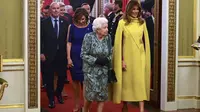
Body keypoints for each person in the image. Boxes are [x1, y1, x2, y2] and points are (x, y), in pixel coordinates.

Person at [112, 1, 151, 112]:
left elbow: (146, 41)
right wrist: (121, 60)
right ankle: (125, 105)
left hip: (140, 57)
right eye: (133, 9)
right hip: (127, 57)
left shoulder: (142, 22)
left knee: (140, 83)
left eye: (137, 9)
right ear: (128, 9)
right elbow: (118, 43)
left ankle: (141, 109)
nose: (135, 11)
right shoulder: (122, 23)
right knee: (127, 84)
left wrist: (146, 59)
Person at [41, 2, 69, 108]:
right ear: (50, 10)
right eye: (54, 8)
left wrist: (68, 55)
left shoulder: (65, 22)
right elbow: (40, 39)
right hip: (48, 55)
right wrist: (41, 53)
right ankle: (51, 98)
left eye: (58, 8)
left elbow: (68, 40)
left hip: (62, 55)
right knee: (48, 78)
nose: (56, 10)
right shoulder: (43, 23)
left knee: (62, 77)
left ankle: (58, 93)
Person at [81, 17, 112, 112]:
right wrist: (95, 60)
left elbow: (111, 53)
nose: (107, 29)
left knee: (102, 95)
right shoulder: (88, 37)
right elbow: (83, 54)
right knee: (91, 95)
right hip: (91, 71)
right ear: (98, 29)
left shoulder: (108, 37)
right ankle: (85, 109)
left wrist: (107, 60)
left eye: (107, 27)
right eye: (105, 28)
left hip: (103, 71)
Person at [67, 8, 93, 112]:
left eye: (83, 19)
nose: (81, 21)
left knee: (86, 83)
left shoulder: (91, 27)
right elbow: (69, 43)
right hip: (74, 57)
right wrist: (68, 58)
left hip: (87, 57)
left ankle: (86, 108)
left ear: (86, 18)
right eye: (79, 19)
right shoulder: (71, 27)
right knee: (75, 82)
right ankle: (77, 104)